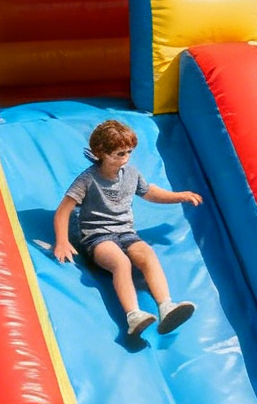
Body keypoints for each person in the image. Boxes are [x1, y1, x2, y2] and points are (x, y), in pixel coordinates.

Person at [54, 119, 202, 340]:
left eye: (128, 152)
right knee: (121, 263)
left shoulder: (131, 173)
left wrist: (179, 196)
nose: (125, 158)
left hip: (126, 232)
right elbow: (63, 211)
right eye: (119, 154)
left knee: (147, 255)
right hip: (97, 236)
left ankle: (166, 306)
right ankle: (133, 316)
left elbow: (149, 192)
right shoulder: (87, 179)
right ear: (101, 152)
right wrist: (62, 242)